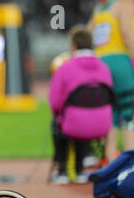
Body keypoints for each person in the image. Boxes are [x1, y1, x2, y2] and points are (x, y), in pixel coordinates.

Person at [49, 26, 113, 184]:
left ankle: (62, 171)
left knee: (62, 120)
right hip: (102, 125)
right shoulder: (104, 67)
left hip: (75, 124)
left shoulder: (65, 68)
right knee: (79, 114)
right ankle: (79, 170)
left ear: (74, 46)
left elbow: (55, 103)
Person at [88, 0, 134, 164]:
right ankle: (131, 158)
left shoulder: (98, 9)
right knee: (128, 110)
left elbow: (88, 35)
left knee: (111, 112)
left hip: (101, 64)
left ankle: (109, 158)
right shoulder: (122, 5)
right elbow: (128, 33)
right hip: (119, 60)